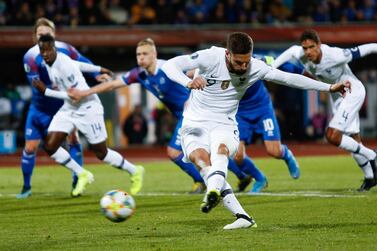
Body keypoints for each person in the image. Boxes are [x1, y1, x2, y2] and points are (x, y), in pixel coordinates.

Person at [161, 32, 350, 229]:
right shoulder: (210, 57)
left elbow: (290, 79)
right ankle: (242, 216)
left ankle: (213, 191)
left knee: (221, 150)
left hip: (224, 122)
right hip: (195, 121)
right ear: (228, 54)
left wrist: (329, 88)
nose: (243, 67)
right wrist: (187, 82)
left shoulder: (255, 66)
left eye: (246, 61)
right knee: (200, 159)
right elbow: (169, 65)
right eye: (238, 62)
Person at [68, 38, 253, 194]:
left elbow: (193, 71)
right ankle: (242, 176)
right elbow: (112, 85)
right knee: (206, 151)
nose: (141, 58)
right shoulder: (139, 74)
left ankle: (203, 181)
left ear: (154, 54)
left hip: (194, 113)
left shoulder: (167, 67)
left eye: (145, 54)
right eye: (138, 54)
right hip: (185, 115)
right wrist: (84, 93)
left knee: (174, 152)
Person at [32, 34, 144, 196]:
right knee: (49, 146)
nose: (44, 54)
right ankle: (82, 173)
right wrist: (98, 69)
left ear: (54, 48)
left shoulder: (64, 67)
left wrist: (46, 91)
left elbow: (76, 95)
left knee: (101, 153)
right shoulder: (52, 60)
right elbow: (78, 64)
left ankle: (135, 170)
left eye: (48, 50)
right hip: (69, 109)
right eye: (42, 50)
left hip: (88, 108)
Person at [271, 29, 377, 191]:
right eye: (305, 48)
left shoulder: (336, 55)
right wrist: (271, 67)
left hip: (352, 91)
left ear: (319, 45)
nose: (307, 52)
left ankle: (372, 155)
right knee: (352, 142)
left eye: (311, 47)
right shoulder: (299, 53)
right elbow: (290, 51)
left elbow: (368, 48)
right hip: (338, 97)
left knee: (333, 136)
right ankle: (370, 178)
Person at [17, 17, 99, 199]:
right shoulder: (30, 57)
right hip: (39, 109)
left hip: (64, 107)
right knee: (30, 148)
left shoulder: (67, 49)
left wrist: (98, 73)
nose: (44, 37)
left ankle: (77, 181)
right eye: (40, 35)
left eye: (47, 34)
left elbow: (87, 64)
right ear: (34, 37)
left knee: (73, 140)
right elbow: (37, 84)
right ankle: (26, 187)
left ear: (53, 36)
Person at [232, 58, 304, 193]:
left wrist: (299, 69)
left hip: (262, 109)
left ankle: (287, 155)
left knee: (274, 151)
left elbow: (279, 62)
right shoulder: (220, 67)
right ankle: (260, 179)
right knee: (237, 156)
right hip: (240, 113)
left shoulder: (256, 60)